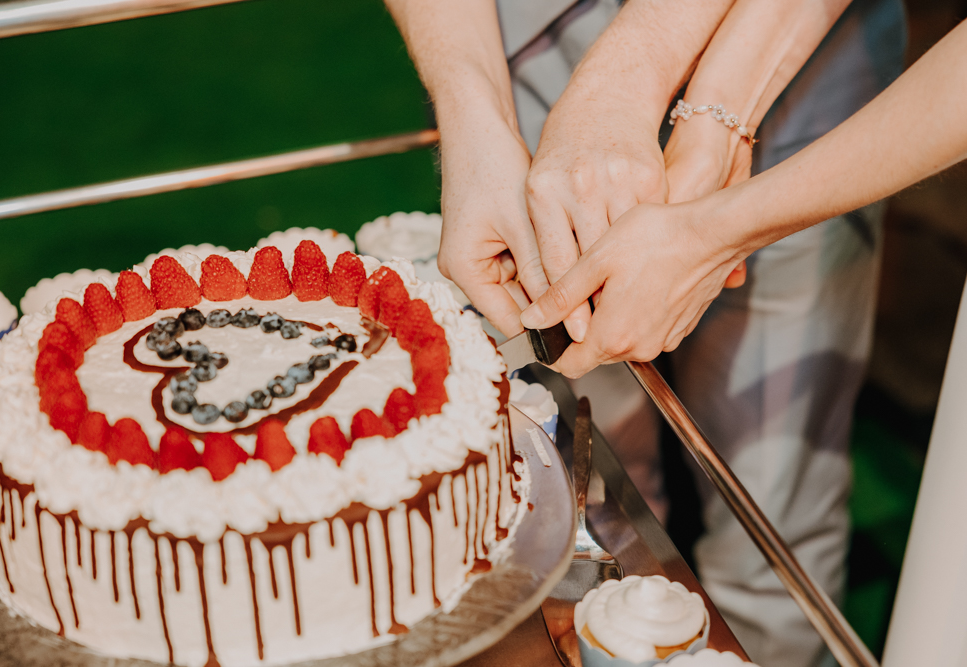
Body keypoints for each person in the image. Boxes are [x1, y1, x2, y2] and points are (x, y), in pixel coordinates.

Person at [382, 1, 905, 665]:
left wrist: (651, 89)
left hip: (811, 51)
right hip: (528, 44)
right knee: (599, 489)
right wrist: (472, 111)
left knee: (773, 519)